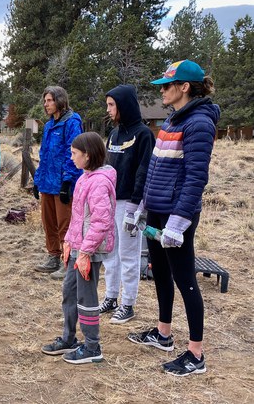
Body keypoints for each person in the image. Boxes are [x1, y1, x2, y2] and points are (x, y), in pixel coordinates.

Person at [127, 60, 220, 376]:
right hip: (157, 210)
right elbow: (154, 171)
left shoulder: (199, 124)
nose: (162, 91)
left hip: (176, 216)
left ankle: (196, 354)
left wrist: (178, 224)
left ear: (185, 88)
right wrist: (141, 207)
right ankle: (163, 334)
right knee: (160, 274)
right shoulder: (170, 122)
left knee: (185, 280)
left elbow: (196, 178)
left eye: (167, 86)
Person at [41, 132, 116, 364]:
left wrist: (84, 251)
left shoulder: (99, 183)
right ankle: (69, 338)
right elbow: (78, 219)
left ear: (88, 155)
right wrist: (69, 242)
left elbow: (101, 221)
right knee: (69, 292)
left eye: (74, 153)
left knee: (86, 298)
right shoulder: (84, 177)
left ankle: (93, 347)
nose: (71, 157)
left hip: (89, 252)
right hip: (78, 248)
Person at [99, 85, 155, 324]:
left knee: (129, 255)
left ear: (124, 105)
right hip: (111, 201)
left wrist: (136, 205)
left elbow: (144, 171)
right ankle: (111, 297)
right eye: (108, 105)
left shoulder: (143, 135)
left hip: (131, 204)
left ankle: (128, 303)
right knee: (110, 253)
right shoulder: (113, 135)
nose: (109, 110)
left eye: (112, 105)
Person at [32, 86, 83, 277]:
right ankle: (53, 255)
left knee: (66, 223)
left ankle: (67, 260)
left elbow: (74, 153)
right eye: (45, 101)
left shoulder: (72, 122)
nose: (46, 104)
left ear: (60, 100)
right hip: (47, 182)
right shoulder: (48, 125)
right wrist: (37, 181)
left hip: (63, 183)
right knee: (49, 222)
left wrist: (67, 181)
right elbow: (44, 155)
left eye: (50, 100)